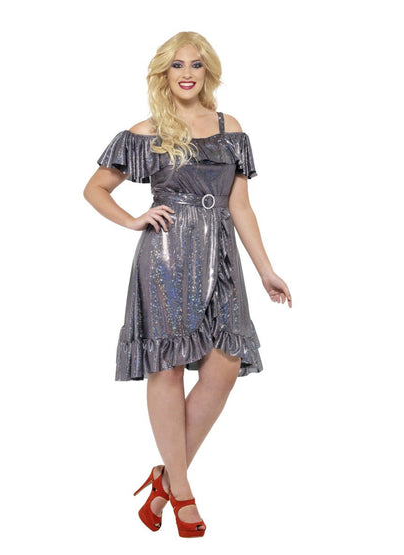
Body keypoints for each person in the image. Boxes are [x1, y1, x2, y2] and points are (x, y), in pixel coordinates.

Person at [83, 31, 292, 538]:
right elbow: (95, 188)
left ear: (207, 72)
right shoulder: (147, 130)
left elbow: (241, 206)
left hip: (221, 256)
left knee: (224, 367)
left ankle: (163, 479)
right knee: (169, 368)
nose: (187, 73)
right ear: (164, 72)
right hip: (167, 257)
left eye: (196, 65)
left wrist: (265, 269)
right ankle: (182, 492)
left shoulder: (229, 128)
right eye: (177, 65)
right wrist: (133, 219)